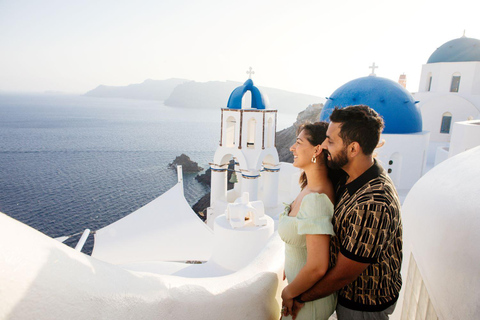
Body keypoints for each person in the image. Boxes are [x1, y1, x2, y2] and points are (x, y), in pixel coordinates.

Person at [291, 105, 403, 320]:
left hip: (363, 304)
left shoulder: (373, 203)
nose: (323, 146)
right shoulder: (353, 173)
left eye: (331, 141)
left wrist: (300, 297)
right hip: (349, 297)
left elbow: (343, 275)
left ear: (353, 149)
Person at [278, 122, 337, 320]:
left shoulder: (316, 199)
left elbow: (317, 266)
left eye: (298, 142)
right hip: (302, 295)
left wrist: (288, 292)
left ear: (317, 149)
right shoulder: (310, 187)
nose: (291, 148)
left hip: (306, 305)